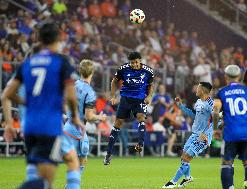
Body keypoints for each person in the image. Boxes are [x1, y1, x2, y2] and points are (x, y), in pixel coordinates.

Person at [1, 22, 84, 189]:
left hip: (30, 126)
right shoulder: (61, 62)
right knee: (45, 182)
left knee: (38, 175)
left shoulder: (27, 63)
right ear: (59, 38)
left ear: (39, 39)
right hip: (49, 126)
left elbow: (6, 95)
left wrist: (10, 123)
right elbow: (71, 95)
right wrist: (75, 117)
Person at [213, 65, 247, 189]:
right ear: (239, 76)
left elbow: (215, 111)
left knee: (227, 163)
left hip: (231, 132)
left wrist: (215, 128)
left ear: (225, 77)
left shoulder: (221, 92)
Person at [104, 51, 154, 165]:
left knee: (141, 117)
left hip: (140, 99)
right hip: (126, 98)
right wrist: (112, 96)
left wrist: (149, 96)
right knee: (118, 123)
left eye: (136, 62)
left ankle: (140, 144)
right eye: (132, 63)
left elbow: (151, 85)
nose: (134, 65)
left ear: (140, 61)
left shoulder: (148, 71)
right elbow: (114, 81)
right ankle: (108, 154)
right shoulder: (123, 69)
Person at [162, 82, 215, 188]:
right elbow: (194, 115)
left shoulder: (211, 103)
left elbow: (217, 120)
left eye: (198, 88)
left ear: (203, 90)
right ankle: (188, 177)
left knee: (186, 158)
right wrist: (181, 106)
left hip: (203, 137)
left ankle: (173, 182)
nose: (196, 90)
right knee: (183, 158)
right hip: (195, 134)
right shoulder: (199, 101)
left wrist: (206, 134)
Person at [64, 59, 107, 176]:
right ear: (92, 73)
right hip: (77, 130)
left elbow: (64, 103)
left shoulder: (73, 85)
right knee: (78, 163)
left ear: (80, 71)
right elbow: (89, 116)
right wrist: (100, 117)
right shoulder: (90, 92)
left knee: (79, 161)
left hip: (69, 125)